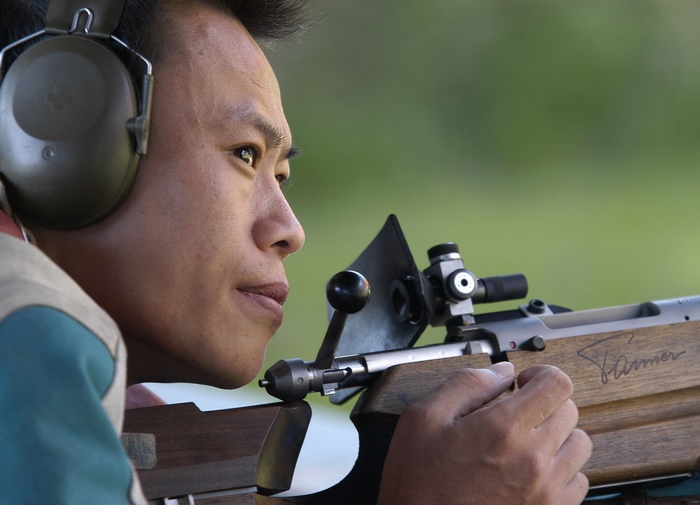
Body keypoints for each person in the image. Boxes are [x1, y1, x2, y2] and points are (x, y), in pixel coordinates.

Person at [0, 0, 592, 503]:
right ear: (61, 136)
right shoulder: (27, 333)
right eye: (245, 154)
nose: (289, 229)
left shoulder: (106, 400)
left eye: (280, 176)